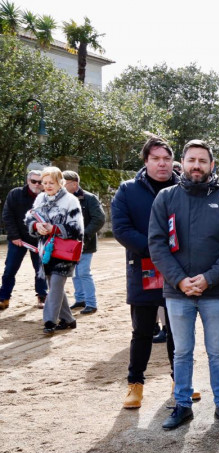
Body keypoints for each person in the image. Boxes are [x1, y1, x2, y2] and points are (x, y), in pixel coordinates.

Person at [148, 140, 219, 430]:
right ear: (183, 162)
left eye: (203, 161)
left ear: (211, 165)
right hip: (177, 293)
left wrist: (208, 278)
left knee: (216, 350)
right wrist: (179, 280)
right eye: (192, 160)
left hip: (214, 292)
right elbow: (157, 244)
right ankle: (182, 404)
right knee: (182, 352)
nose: (197, 166)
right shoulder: (165, 198)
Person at [112, 136, 180, 409]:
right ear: (146, 161)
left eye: (166, 158)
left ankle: (181, 382)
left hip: (178, 270)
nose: (162, 164)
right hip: (143, 268)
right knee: (142, 331)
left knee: (178, 329)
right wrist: (156, 250)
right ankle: (135, 385)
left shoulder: (184, 188)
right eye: (156, 159)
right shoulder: (128, 190)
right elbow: (121, 229)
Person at [24, 167, 84, 334]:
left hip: (65, 251)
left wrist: (54, 228)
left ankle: (49, 321)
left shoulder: (71, 200)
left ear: (60, 183)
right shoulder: (40, 198)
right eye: (45, 183)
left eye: (52, 182)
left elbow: (77, 228)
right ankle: (69, 319)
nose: (48, 186)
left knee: (56, 285)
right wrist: (37, 226)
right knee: (55, 286)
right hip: (47, 251)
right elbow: (29, 218)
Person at [1, 170, 47, 310]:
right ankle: (4, 297)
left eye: (40, 182)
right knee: (10, 269)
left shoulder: (47, 197)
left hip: (39, 240)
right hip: (18, 239)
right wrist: (14, 236)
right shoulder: (15, 194)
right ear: (28, 181)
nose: (37, 184)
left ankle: (42, 296)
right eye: (34, 181)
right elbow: (7, 215)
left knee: (41, 269)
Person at [62, 171, 105, 315]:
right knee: (74, 273)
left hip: (85, 243)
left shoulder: (90, 198)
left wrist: (84, 234)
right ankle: (80, 300)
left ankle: (91, 303)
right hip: (68, 243)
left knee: (84, 272)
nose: (61, 186)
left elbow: (99, 219)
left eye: (64, 183)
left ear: (74, 184)